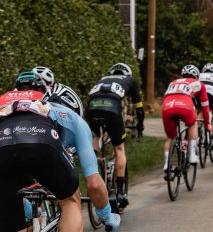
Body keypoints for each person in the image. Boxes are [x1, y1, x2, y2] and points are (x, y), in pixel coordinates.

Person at [0, 72, 81, 231]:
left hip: (3, 147)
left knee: (12, 220)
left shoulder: (4, 99)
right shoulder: (46, 98)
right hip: (41, 142)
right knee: (71, 199)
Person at [44, 83, 120, 230]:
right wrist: (107, 216)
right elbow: (94, 184)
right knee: (71, 200)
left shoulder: (36, 110)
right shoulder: (76, 121)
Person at [85, 62, 145, 208]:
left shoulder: (102, 79)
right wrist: (140, 124)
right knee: (119, 148)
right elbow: (139, 106)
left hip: (92, 109)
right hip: (112, 109)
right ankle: (120, 192)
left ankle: (92, 164)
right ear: (128, 74)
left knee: (97, 137)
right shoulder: (129, 81)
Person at [161, 65, 211, 170]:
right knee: (192, 124)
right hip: (184, 104)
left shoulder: (173, 82)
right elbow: (205, 108)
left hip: (167, 106)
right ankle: (192, 155)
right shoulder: (199, 84)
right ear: (196, 76)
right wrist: (207, 124)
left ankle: (166, 164)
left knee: (171, 137)